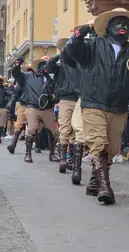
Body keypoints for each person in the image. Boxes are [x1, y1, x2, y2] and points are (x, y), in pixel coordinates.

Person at [64, 8, 129, 205]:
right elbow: (71, 50)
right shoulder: (92, 45)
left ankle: (94, 183)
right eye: (118, 23)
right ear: (108, 27)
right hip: (93, 102)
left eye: (126, 24)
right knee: (98, 144)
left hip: (119, 105)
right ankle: (105, 186)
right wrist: (82, 32)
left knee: (111, 149)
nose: (123, 27)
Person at [46, 36, 83, 182]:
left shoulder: (79, 62)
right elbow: (47, 68)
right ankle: (63, 159)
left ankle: (73, 161)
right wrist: (58, 55)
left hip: (79, 98)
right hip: (66, 99)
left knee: (76, 131)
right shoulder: (59, 65)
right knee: (65, 128)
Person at [11, 55, 60, 165]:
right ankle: (27, 154)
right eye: (43, 65)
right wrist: (17, 65)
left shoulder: (51, 81)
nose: (45, 67)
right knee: (32, 129)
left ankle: (52, 154)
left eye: (47, 65)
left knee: (54, 132)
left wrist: (51, 97)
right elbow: (16, 74)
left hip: (47, 109)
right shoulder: (28, 77)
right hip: (32, 107)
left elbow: (57, 95)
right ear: (38, 67)